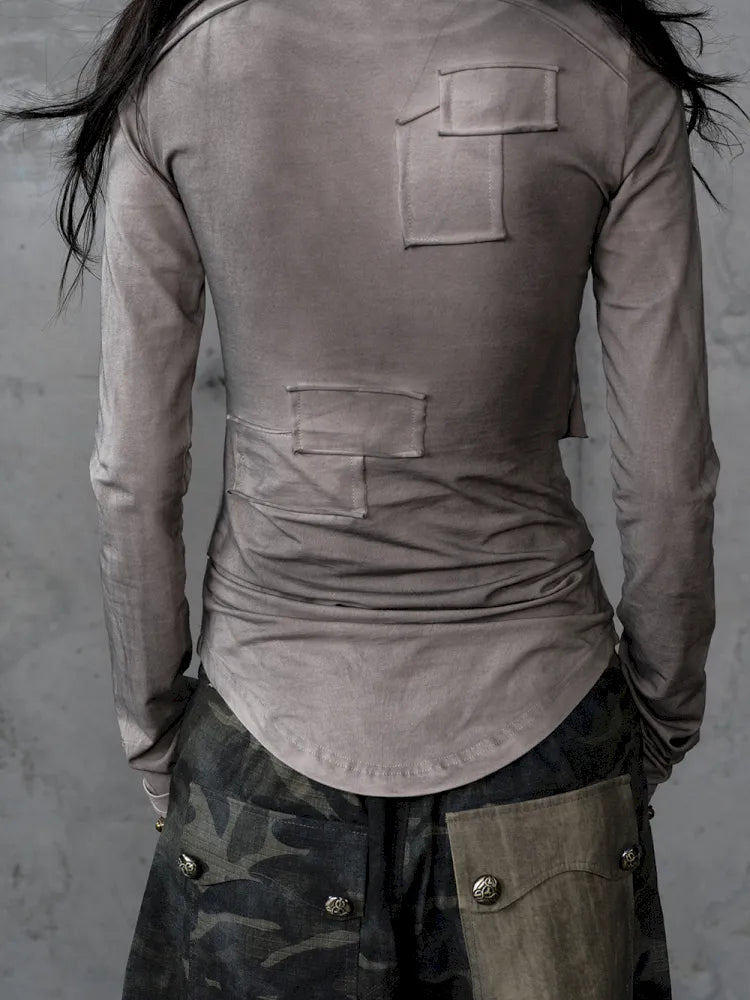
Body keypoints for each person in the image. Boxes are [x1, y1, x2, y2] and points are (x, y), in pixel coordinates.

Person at [1, 0, 742, 996]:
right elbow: (671, 474)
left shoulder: (178, 70)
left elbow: (132, 476)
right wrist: (658, 720)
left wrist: (158, 736)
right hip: (545, 716)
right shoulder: (609, 69)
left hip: (261, 729)